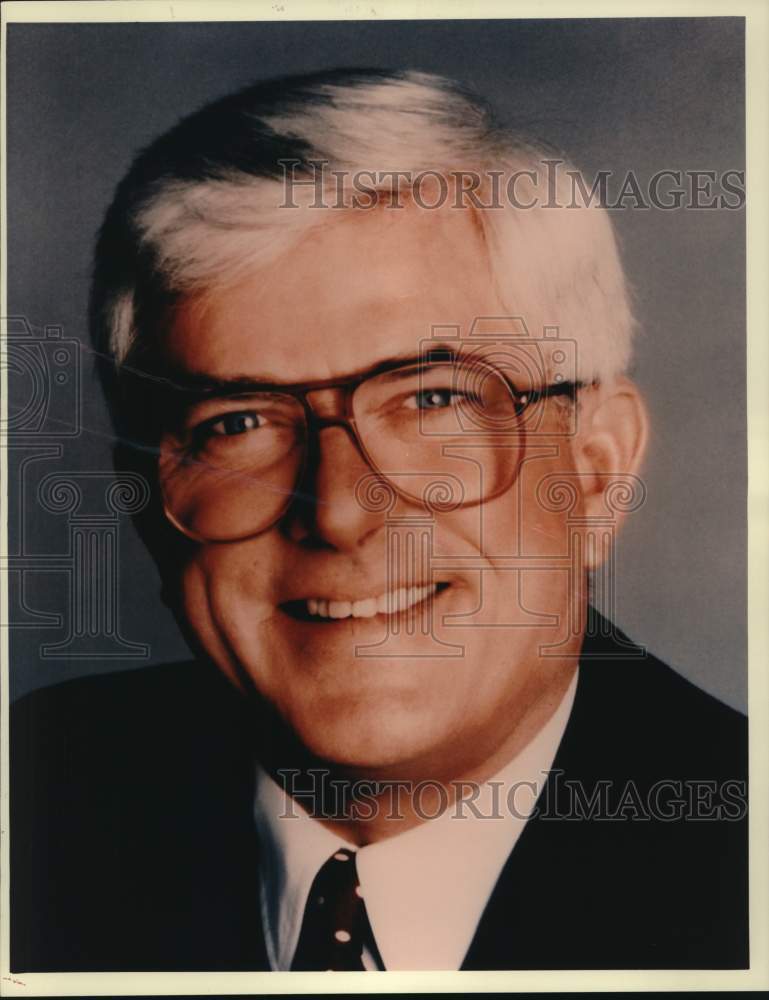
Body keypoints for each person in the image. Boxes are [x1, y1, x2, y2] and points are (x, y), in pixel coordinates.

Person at [10, 68, 748, 973]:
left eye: (432, 398)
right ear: (146, 504)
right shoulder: (37, 807)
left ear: (595, 473)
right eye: (237, 424)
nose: (343, 509)